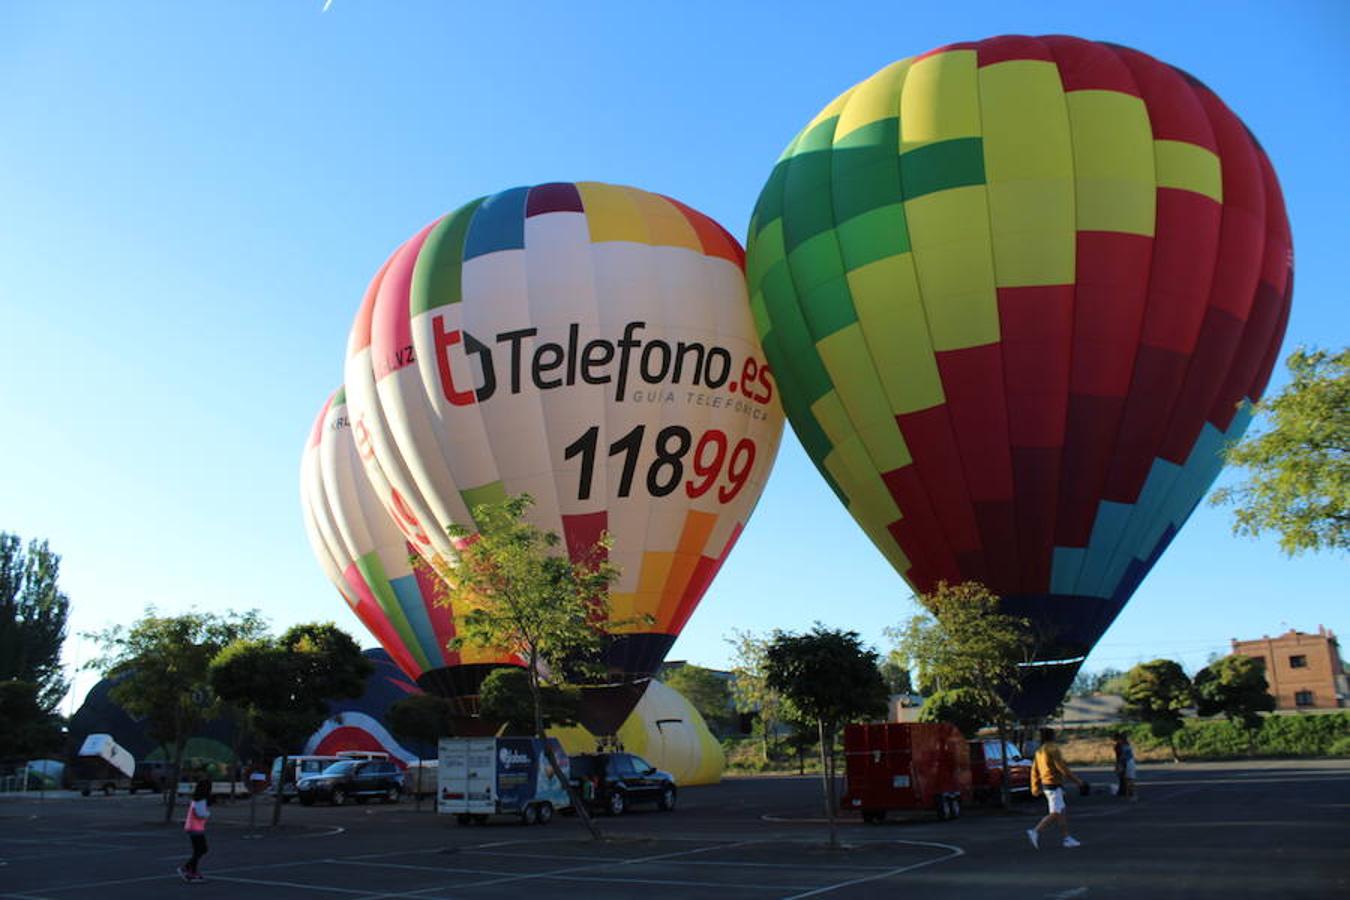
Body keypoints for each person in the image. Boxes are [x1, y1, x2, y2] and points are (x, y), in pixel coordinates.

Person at [1027, 727, 1085, 849]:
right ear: (1052, 736)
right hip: (1053, 784)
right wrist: (1078, 781)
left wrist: (1035, 786)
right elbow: (1062, 768)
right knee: (1055, 812)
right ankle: (1035, 830)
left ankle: (1066, 838)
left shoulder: (1039, 751)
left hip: (1046, 784)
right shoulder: (1053, 749)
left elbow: (1034, 770)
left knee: (1061, 812)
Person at [178, 779, 211, 882]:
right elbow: (200, 814)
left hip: (193, 827)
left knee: (199, 850)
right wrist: (208, 814)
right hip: (195, 828)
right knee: (202, 849)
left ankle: (192, 871)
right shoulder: (201, 800)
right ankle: (186, 868)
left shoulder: (196, 799)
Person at [1116, 733, 1137, 802]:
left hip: (1128, 763)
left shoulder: (1124, 746)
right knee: (1129, 779)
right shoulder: (1127, 745)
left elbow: (1122, 757)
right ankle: (1129, 795)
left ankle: (1131, 795)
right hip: (1130, 762)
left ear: (1121, 740)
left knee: (1129, 779)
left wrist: (1119, 765)